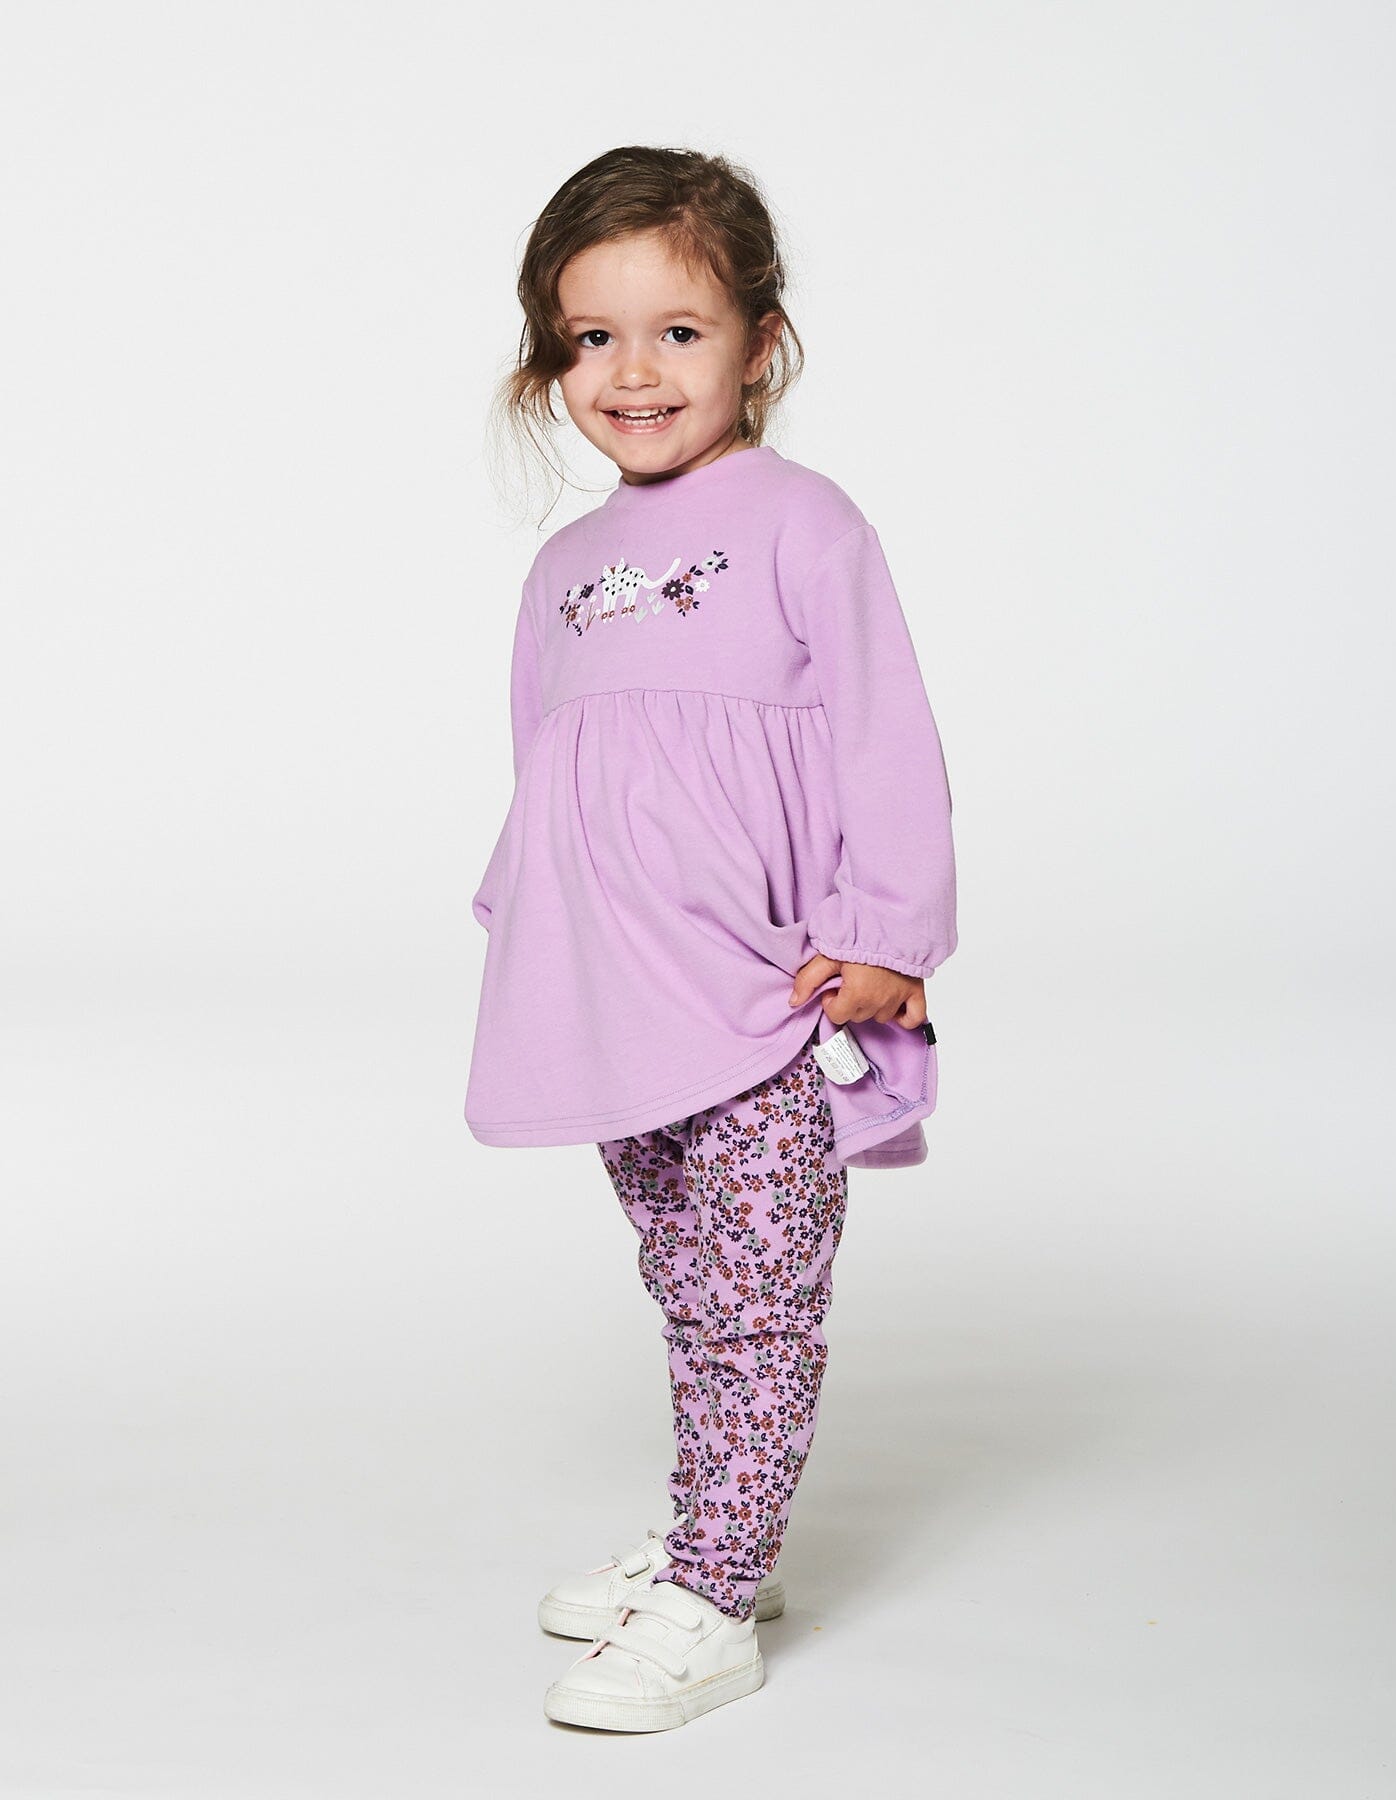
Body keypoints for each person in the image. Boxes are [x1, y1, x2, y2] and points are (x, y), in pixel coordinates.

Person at [464, 145, 958, 1732]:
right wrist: (533, 936)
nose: (634, 371)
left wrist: (892, 933)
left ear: (760, 341)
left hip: (757, 992)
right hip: (622, 1003)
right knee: (686, 1276)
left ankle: (718, 1595)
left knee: (756, 1297)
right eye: (592, 337)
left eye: (677, 331)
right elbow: (552, 771)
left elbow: (885, 732)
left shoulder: (807, 525)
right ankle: (710, 1538)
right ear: (550, 361)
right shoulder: (563, 570)